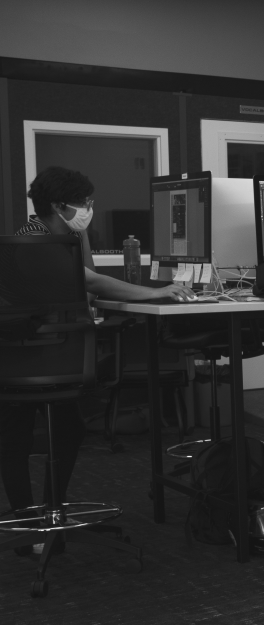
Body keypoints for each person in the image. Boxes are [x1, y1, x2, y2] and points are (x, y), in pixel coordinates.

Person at [1, 167, 195, 526]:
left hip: (35, 353)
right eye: (84, 203)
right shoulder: (35, 241)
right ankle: (31, 521)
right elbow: (90, 281)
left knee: (60, 429)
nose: (90, 208)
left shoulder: (50, 236)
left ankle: (42, 516)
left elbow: (83, 275)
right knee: (27, 434)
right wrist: (154, 292)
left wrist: (82, 235)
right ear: (60, 205)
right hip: (32, 356)